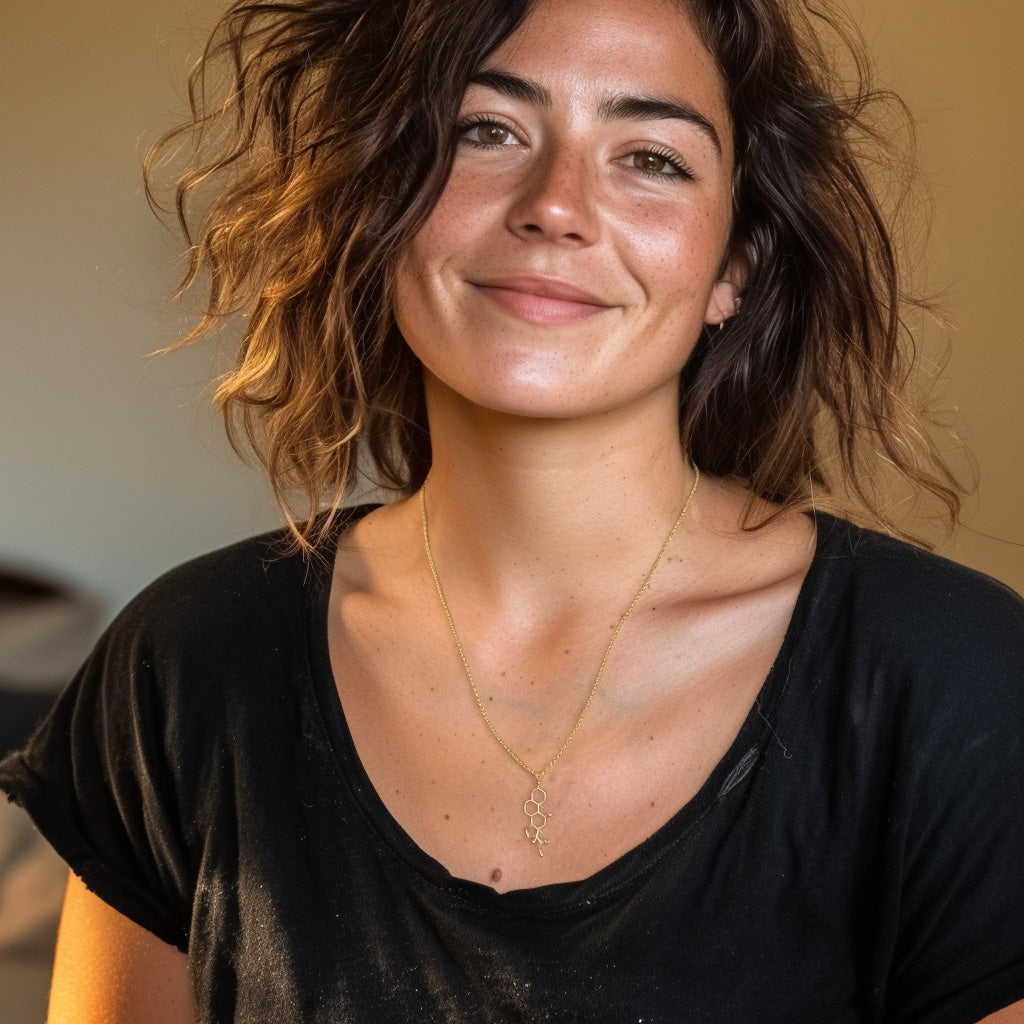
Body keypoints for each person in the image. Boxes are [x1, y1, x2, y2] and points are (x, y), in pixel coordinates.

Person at [2, 0, 1023, 1020]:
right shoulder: (186, 664)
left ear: (734, 266)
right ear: (380, 199)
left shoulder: (957, 681)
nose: (556, 206)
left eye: (651, 158)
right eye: (486, 131)